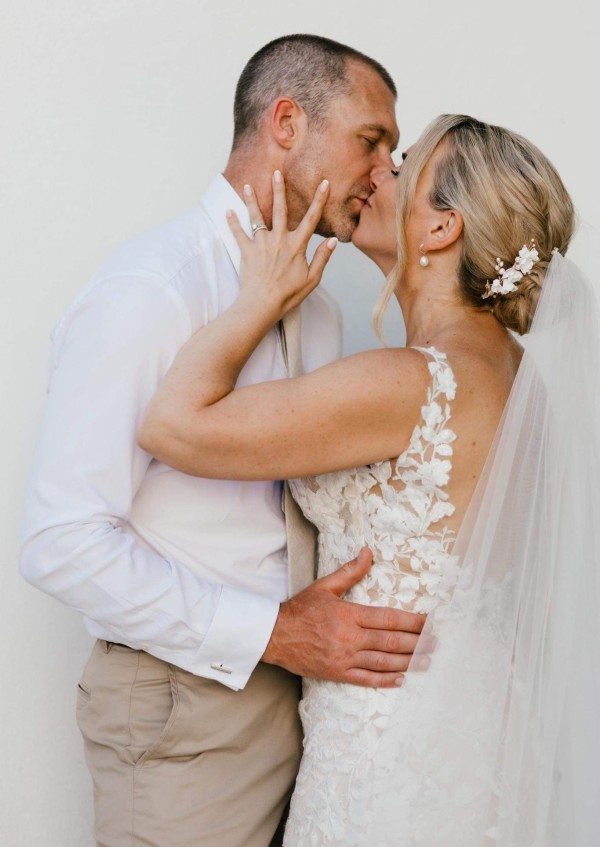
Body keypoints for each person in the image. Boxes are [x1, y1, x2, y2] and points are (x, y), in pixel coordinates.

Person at [139, 114, 600, 845]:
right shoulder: (524, 382)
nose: (378, 172)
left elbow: (172, 424)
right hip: (483, 738)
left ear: (442, 227)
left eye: (405, 164)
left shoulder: (411, 382)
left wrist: (258, 300)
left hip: (392, 751)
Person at [19, 35, 429, 847]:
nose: (386, 171)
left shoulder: (320, 312)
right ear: (287, 123)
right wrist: (274, 633)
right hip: (184, 715)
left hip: (305, 708)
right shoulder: (151, 290)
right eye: (370, 140)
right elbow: (59, 541)